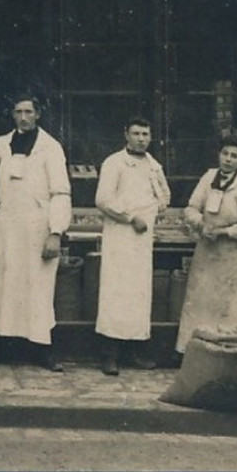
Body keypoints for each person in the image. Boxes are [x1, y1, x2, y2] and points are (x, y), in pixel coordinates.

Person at [0, 96, 72, 370]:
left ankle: (42, 350)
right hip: (5, 228)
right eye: (18, 112)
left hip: (37, 229)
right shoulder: (2, 144)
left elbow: (61, 192)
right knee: (0, 287)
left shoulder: (50, 148)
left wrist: (56, 232)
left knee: (37, 289)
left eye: (29, 112)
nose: (23, 117)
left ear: (38, 114)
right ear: (13, 115)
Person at [93, 116, 171, 375]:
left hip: (142, 241)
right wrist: (130, 217)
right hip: (120, 237)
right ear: (125, 134)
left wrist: (156, 207)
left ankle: (133, 351)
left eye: (145, 134)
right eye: (136, 133)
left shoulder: (153, 165)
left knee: (138, 295)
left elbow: (165, 195)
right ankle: (109, 354)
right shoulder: (114, 163)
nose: (141, 139)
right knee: (116, 294)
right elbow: (103, 199)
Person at [175, 135, 237, 359]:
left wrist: (225, 232)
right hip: (206, 254)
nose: (228, 159)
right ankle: (192, 353)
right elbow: (191, 208)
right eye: (225, 154)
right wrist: (201, 224)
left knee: (230, 308)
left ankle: (229, 354)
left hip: (232, 257)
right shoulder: (208, 178)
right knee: (200, 304)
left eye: (234, 156)